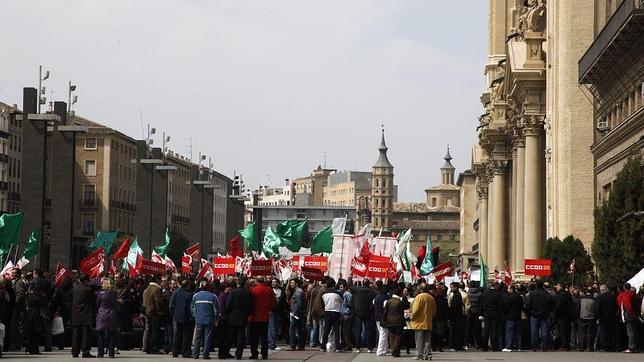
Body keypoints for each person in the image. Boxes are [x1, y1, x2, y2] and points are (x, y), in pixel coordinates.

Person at [224, 277, 254, 360]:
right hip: (243, 316)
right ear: (245, 283)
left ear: (238, 283)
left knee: (230, 335)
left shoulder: (233, 292)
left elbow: (228, 305)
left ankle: (226, 351)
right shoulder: (248, 293)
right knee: (241, 336)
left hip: (233, 316)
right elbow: (251, 306)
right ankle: (239, 354)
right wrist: (247, 314)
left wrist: (228, 314)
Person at [191, 280, 219, 360]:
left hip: (199, 320)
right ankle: (205, 355)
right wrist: (216, 319)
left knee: (197, 338)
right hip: (209, 320)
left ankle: (196, 355)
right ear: (208, 287)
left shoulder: (195, 296)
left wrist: (195, 316)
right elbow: (217, 310)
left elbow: (192, 308)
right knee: (207, 338)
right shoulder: (213, 296)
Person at [249, 276, 275, 359]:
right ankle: (264, 353)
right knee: (264, 337)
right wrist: (269, 309)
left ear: (257, 281)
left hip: (255, 316)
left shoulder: (254, 290)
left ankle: (254, 353)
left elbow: (251, 303)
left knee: (254, 337)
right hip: (265, 316)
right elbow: (273, 302)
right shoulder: (269, 290)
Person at [71, 275, 96, 358]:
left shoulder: (75, 289)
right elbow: (93, 301)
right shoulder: (88, 290)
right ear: (86, 281)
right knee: (86, 334)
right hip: (85, 314)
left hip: (76, 314)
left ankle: (75, 352)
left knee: (76, 334)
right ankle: (85, 351)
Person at [525, 280, 554, 352]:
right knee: (544, 332)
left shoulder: (532, 293)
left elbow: (528, 304)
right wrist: (548, 311)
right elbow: (552, 304)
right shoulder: (546, 294)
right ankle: (544, 347)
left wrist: (528, 312)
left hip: (534, 315)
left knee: (534, 332)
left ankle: (534, 347)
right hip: (544, 315)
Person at [410, 283, 436, 361]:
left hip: (419, 322)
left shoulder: (419, 297)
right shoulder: (431, 297)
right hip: (428, 322)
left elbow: (415, 310)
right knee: (427, 340)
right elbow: (434, 311)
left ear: (420, 289)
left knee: (419, 340)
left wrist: (411, 317)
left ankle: (419, 355)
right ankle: (428, 355)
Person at [170, 279, 194, 358]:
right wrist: (191, 317)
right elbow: (189, 307)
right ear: (188, 286)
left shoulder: (175, 292)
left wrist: (173, 314)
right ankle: (185, 352)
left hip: (177, 317)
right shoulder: (189, 294)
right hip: (186, 317)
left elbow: (171, 305)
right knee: (186, 336)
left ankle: (175, 351)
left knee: (178, 335)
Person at [351, 279, 376, 353]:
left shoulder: (357, 289)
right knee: (368, 330)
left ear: (362, 283)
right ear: (369, 283)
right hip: (368, 312)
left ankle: (357, 347)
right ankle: (369, 348)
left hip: (358, 312)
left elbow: (350, 286)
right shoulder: (372, 291)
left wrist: (350, 277)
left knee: (358, 330)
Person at [96, 277, 119, 358]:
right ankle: (111, 353)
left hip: (102, 314)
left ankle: (100, 353)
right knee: (111, 334)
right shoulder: (114, 294)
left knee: (101, 335)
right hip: (112, 314)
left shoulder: (100, 294)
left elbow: (97, 303)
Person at [383, 288, 409, 357]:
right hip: (399, 321)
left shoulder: (388, 301)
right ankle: (395, 350)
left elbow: (385, 312)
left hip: (389, 321)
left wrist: (384, 320)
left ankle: (393, 350)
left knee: (391, 336)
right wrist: (405, 299)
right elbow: (406, 307)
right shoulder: (400, 302)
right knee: (398, 336)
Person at [142, 275, 164, 354]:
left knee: (149, 330)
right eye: (160, 280)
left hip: (147, 312)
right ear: (157, 280)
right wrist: (160, 310)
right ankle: (154, 348)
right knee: (155, 331)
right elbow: (158, 301)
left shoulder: (147, 289)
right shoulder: (157, 289)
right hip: (154, 312)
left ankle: (148, 347)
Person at [320, 278, 342, 353]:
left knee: (326, 330)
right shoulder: (338, 293)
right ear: (334, 284)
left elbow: (322, 305)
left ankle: (323, 347)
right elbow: (341, 301)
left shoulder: (324, 293)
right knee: (336, 330)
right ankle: (338, 347)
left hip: (327, 312)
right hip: (336, 312)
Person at [617, 283, 638, 353]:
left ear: (624, 288)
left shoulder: (626, 296)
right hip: (634, 315)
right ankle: (634, 346)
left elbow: (628, 307)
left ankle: (631, 347)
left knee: (630, 332)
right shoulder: (633, 295)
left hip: (628, 315)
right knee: (633, 331)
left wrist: (631, 314)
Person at [502, 284, 523, 352]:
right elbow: (522, 306)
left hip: (510, 317)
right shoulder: (519, 296)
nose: (508, 290)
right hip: (518, 316)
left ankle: (508, 346)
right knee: (518, 332)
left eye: (508, 289)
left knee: (509, 332)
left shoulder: (509, 297)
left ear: (511, 289)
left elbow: (506, 308)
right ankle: (519, 347)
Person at [595, 284, 616, 352]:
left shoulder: (600, 297)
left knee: (603, 332)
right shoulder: (613, 296)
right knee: (611, 332)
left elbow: (598, 308)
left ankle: (604, 347)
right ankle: (612, 346)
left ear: (601, 290)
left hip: (603, 317)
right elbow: (615, 306)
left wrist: (597, 316)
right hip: (612, 317)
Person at [288, 279, 307, 351]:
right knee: (299, 329)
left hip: (296, 314)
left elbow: (298, 304)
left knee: (292, 329)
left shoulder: (298, 292)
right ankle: (300, 345)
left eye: (292, 283)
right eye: (290, 283)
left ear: (296, 284)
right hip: (299, 313)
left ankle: (292, 345)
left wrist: (294, 313)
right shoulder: (297, 291)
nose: (291, 284)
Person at [9, 268, 26, 351]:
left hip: (16, 308)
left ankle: (16, 345)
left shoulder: (19, 283)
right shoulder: (14, 282)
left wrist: (13, 304)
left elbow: (20, 295)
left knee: (15, 327)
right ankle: (15, 344)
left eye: (14, 273)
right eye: (12, 273)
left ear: (18, 274)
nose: (12, 274)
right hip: (14, 308)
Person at [553, 283, 572, 351]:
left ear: (560, 287)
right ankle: (567, 345)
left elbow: (558, 306)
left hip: (561, 316)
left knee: (562, 331)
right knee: (567, 331)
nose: (556, 287)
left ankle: (563, 346)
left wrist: (555, 316)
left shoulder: (559, 295)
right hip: (568, 315)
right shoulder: (568, 294)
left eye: (557, 286)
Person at [447, 282, 466, 351]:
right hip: (457, 316)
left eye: (452, 287)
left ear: (456, 287)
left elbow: (454, 307)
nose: (451, 289)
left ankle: (453, 346)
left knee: (455, 332)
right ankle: (457, 345)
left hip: (456, 317)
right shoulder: (456, 294)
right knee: (457, 332)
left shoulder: (457, 295)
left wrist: (449, 311)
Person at [268, 278, 286, 351]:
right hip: (271, 311)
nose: (273, 283)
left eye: (275, 282)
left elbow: (284, 301)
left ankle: (273, 343)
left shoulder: (282, 291)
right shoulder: (269, 290)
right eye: (272, 282)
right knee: (271, 328)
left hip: (279, 312)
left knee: (276, 328)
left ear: (278, 283)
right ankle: (271, 344)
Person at [578, 287, 597, 351]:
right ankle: (589, 347)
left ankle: (582, 346)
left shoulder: (581, 299)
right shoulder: (594, 299)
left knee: (582, 333)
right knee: (590, 333)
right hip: (591, 318)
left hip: (582, 317)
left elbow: (578, 308)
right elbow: (596, 309)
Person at [466, 281, 483, 350]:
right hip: (477, 313)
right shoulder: (480, 294)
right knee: (477, 329)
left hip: (470, 312)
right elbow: (481, 304)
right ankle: (478, 344)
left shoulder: (468, 293)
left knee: (469, 328)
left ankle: (469, 342)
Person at [339, 281, 353, 351]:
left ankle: (348, 344)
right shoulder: (343, 294)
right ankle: (345, 344)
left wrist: (346, 311)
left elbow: (350, 304)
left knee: (346, 331)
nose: (340, 288)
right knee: (343, 331)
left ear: (345, 287)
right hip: (343, 315)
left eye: (341, 287)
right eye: (340, 287)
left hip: (346, 315)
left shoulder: (348, 294)